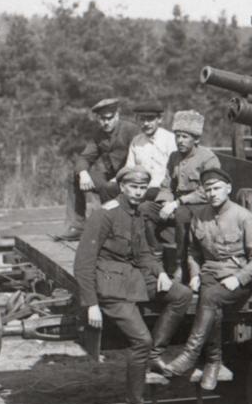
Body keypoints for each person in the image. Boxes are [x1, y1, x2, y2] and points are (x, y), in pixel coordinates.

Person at [73, 166, 192, 404]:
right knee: (141, 340)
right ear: (123, 187)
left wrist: (161, 273)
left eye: (142, 187)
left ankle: (154, 355)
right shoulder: (106, 214)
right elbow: (83, 262)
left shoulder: (138, 213)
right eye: (133, 187)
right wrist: (91, 303)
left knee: (182, 295)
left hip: (134, 278)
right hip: (112, 287)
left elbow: (144, 253)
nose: (138, 192)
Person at [163, 167, 252, 391]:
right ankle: (213, 362)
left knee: (209, 298)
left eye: (217, 188)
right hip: (210, 274)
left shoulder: (244, 218)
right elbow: (193, 251)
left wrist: (238, 279)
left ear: (228, 189)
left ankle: (190, 355)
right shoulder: (200, 216)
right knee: (211, 304)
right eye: (208, 189)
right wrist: (195, 275)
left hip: (238, 279)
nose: (212, 193)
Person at [149, 110, 221, 279]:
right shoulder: (174, 156)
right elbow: (167, 184)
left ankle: (180, 265)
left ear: (196, 139)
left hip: (200, 206)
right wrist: (165, 202)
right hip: (176, 203)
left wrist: (177, 203)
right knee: (146, 209)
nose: (179, 141)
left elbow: (207, 191)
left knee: (181, 215)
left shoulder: (208, 158)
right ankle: (155, 257)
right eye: (177, 136)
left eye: (185, 137)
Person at [55, 98, 140, 241]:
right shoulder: (99, 134)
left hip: (131, 178)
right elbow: (85, 157)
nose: (106, 122)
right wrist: (83, 173)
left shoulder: (131, 130)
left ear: (117, 116)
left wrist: (120, 177)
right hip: (110, 177)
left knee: (109, 186)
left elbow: (140, 159)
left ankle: (115, 229)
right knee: (73, 177)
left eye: (109, 118)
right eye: (102, 119)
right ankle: (77, 226)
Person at [124, 101, 177, 200]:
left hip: (164, 189)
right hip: (140, 187)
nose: (146, 124)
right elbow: (130, 167)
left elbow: (176, 169)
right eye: (142, 119)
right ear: (137, 120)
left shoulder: (170, 139)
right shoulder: (136, 141)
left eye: (150, 119)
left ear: (159, 119)